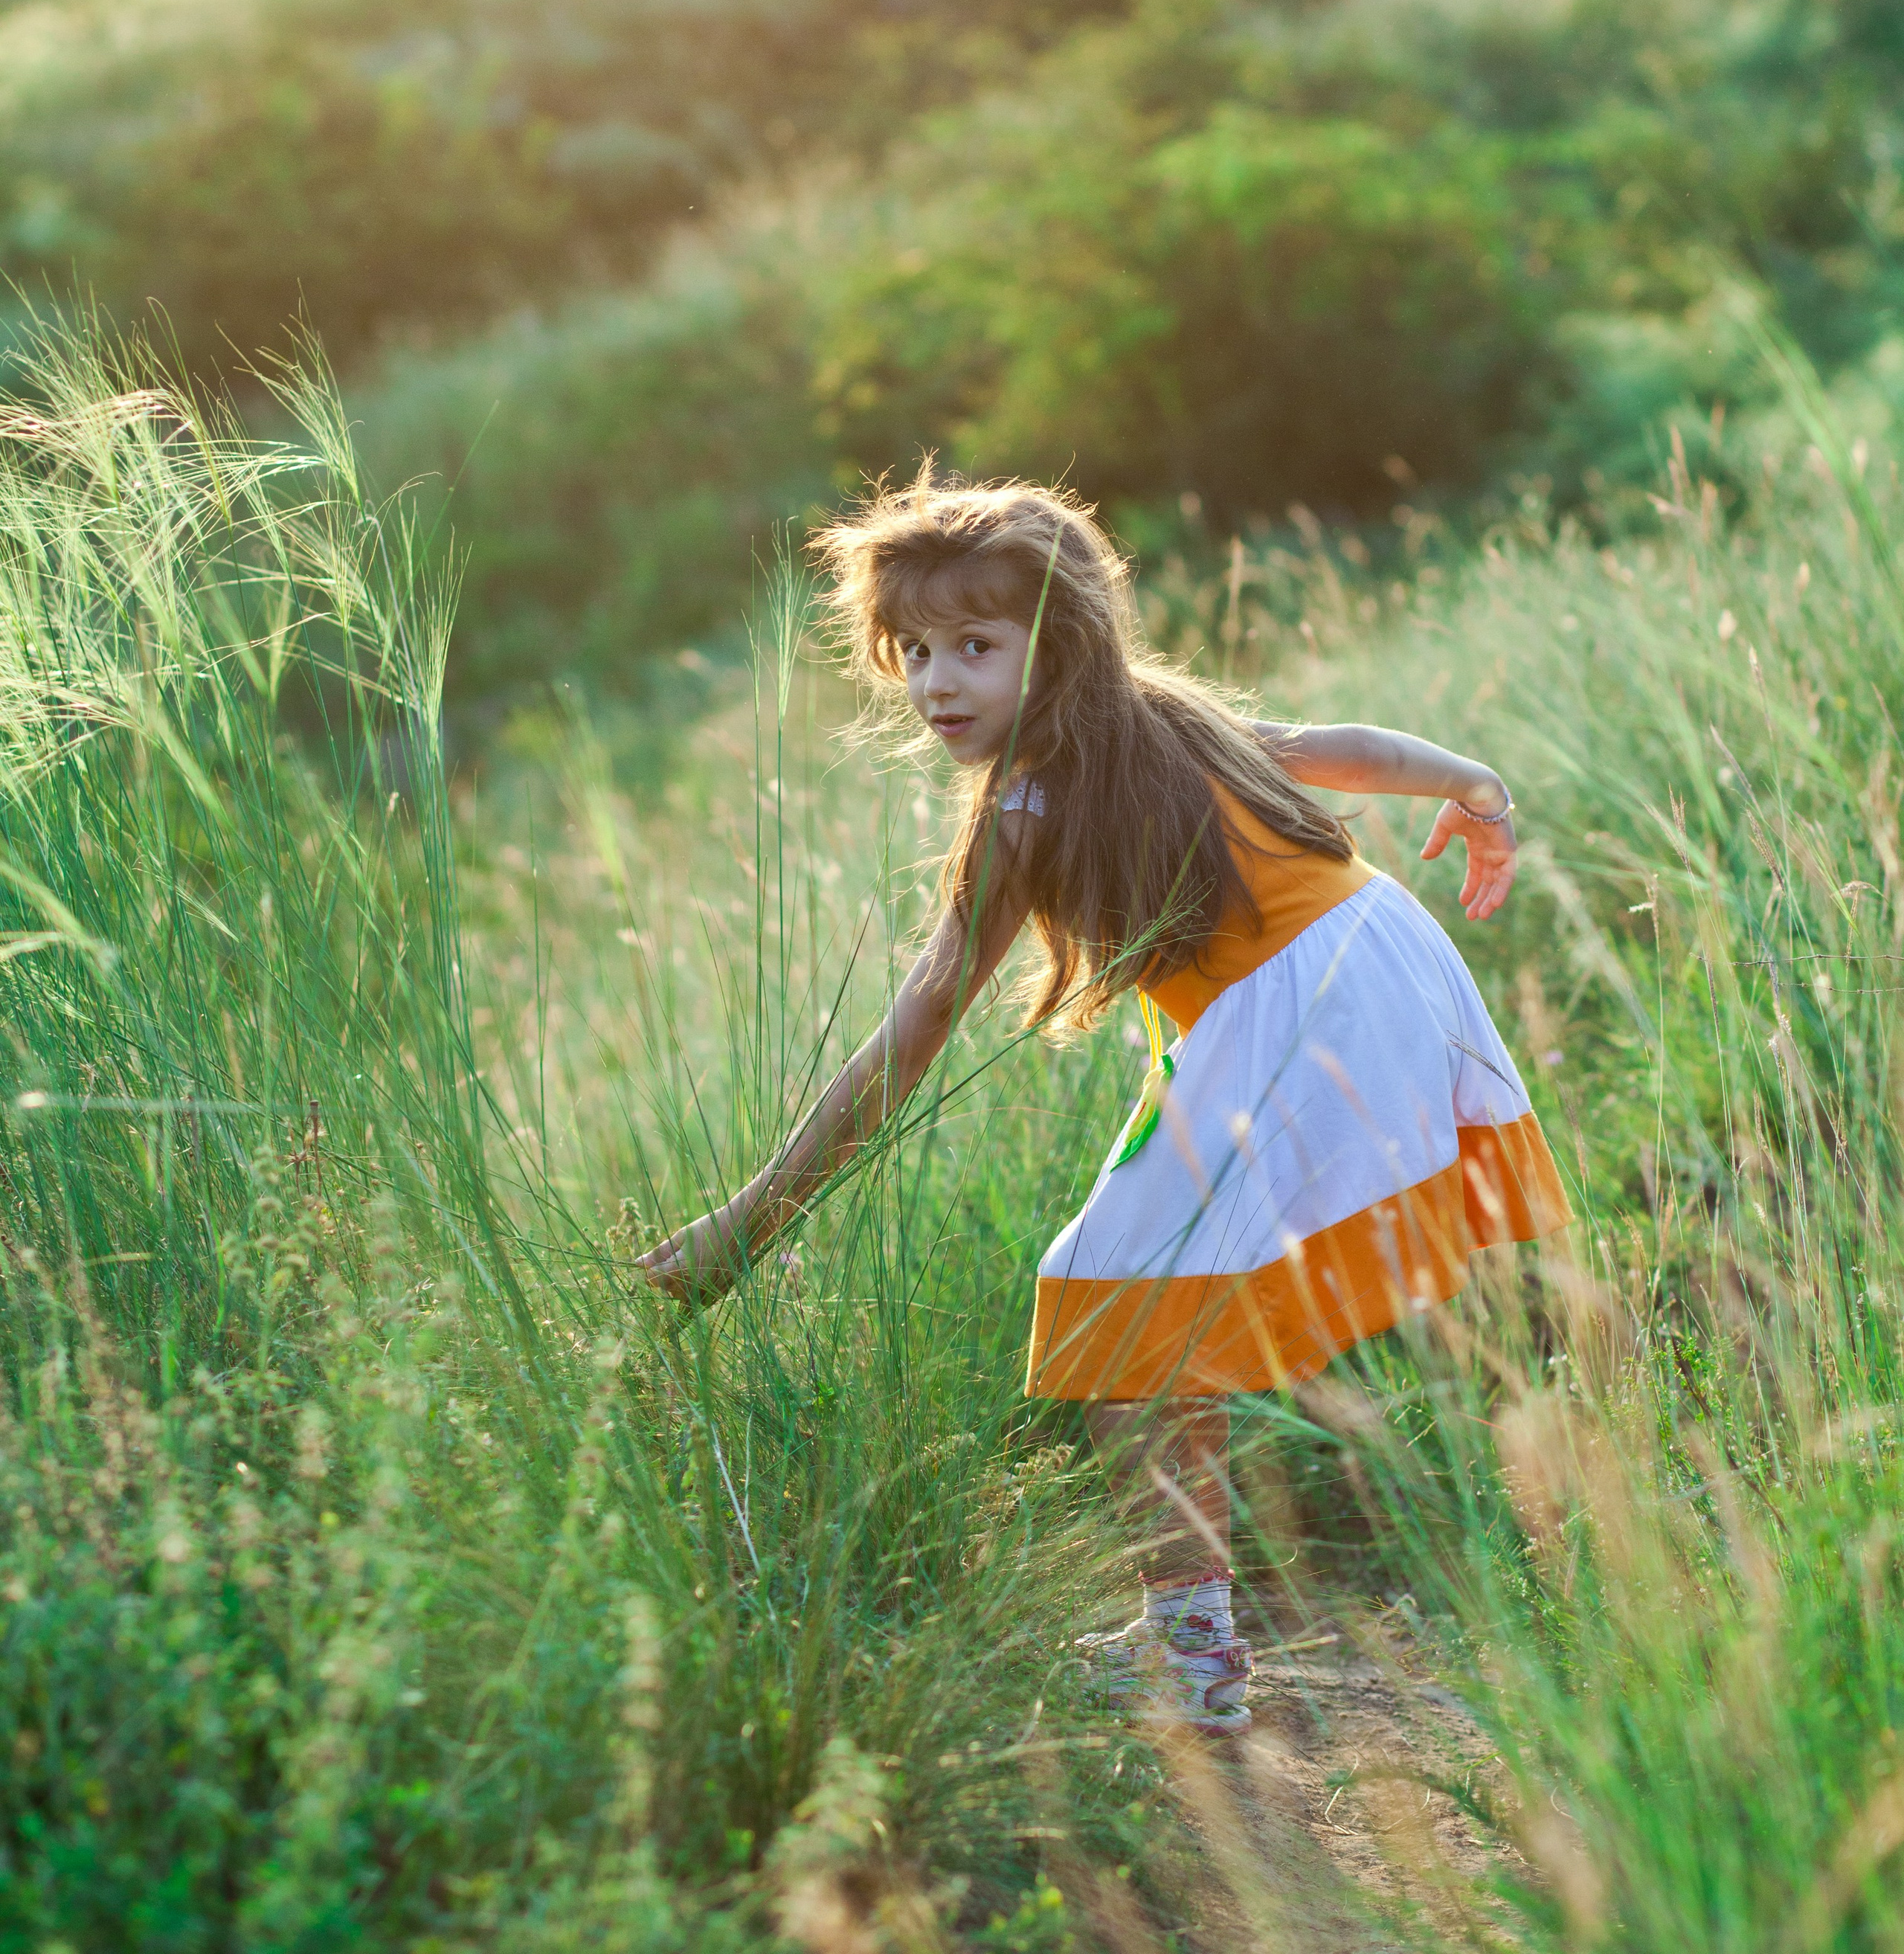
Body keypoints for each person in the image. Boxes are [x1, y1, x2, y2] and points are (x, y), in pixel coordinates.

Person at [636, 474, 1570, 1735]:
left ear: (1057, 641)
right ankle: (1194, 1632)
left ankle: (1194, 1662)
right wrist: (1476, 788)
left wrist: (749, 1222)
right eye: (913, 651)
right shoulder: (1161, 721)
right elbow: (1345, 747)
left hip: (1306, 1005)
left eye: (975, 644)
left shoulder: (1032, 803)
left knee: (1125, 1304)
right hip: (1372, 965)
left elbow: (917, 1026)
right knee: (1149, 1315)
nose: (937, 683)